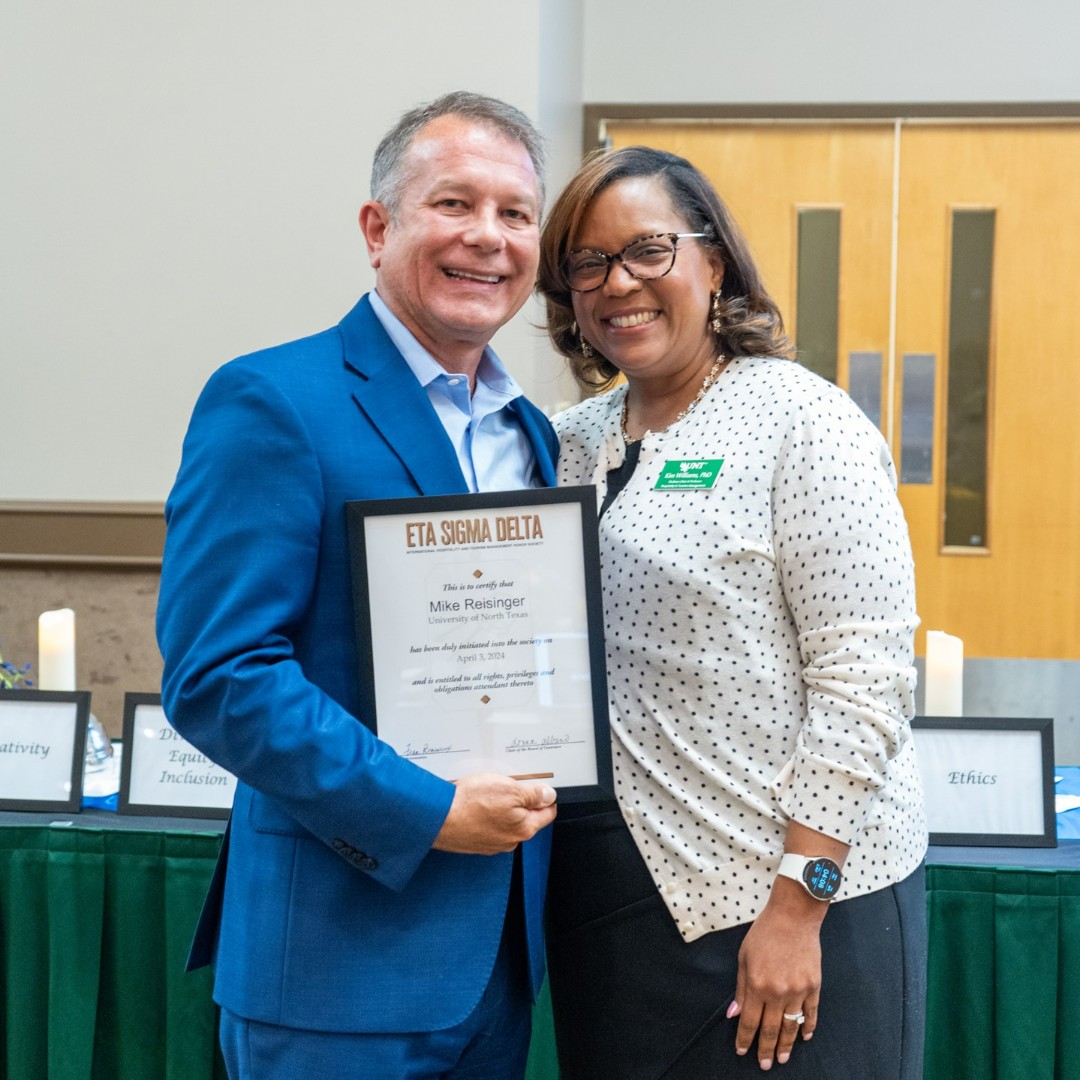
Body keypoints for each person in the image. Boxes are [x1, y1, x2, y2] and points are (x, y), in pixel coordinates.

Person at [156, 91, 559, 1080]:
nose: (489, 238)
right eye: (454, 204)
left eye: (515, 213)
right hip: (335, 972)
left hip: (500, 963)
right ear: (378, 229)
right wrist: (425, 807)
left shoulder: (532, 432)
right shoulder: (274, 400)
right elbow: (220, 675)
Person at [535, 145, 928, 1079]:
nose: (617, 283)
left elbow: (866, 683)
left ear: (713, 262)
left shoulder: (804, 420)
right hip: (622, 903)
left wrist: (798, 904)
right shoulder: (568, 441)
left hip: (796, 910)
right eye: (586, 264)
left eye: (647, 250)